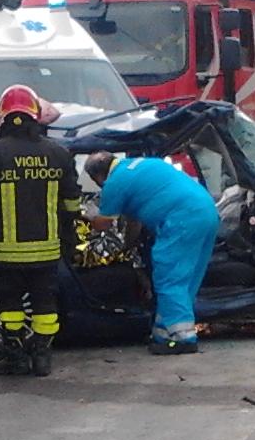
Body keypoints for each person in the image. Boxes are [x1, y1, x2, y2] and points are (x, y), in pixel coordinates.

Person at [0, 85, 79, 377]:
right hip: (47, 251)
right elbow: (72, 203)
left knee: (10, 307)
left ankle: (14, 359)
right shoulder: (58, 154)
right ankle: (41, 358)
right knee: (45, 305)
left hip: (6, 252)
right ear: (36, 116)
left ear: (3, 116)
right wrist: (70, 238)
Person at [83, 149, 219, 355]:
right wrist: (128, 248)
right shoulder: (142, 165)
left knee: (169, 278)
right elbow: (134, 222)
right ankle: (164, 333)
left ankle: (184, 338)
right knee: (186, 278)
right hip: (206, 210)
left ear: (98, 176)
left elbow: (103, 224)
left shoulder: (115, 182)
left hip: (180, 219)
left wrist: (89, 214)